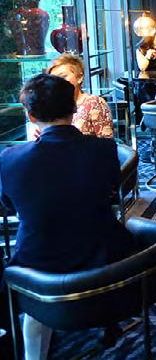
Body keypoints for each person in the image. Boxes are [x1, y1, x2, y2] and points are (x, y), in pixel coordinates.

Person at [0, 74, 134, 360]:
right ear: (74, 107)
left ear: (31, 116)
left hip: (39, 274)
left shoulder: (10, 159)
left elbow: (9, 206)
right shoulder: (104, 149)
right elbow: (110, 193)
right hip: (106, 264)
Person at [47, 53, 114, 138]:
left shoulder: (94, 103)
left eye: (63, 77)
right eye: (53, 79)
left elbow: (106, 141)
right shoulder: (52, 105)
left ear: (79, 77)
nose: (57, 82)